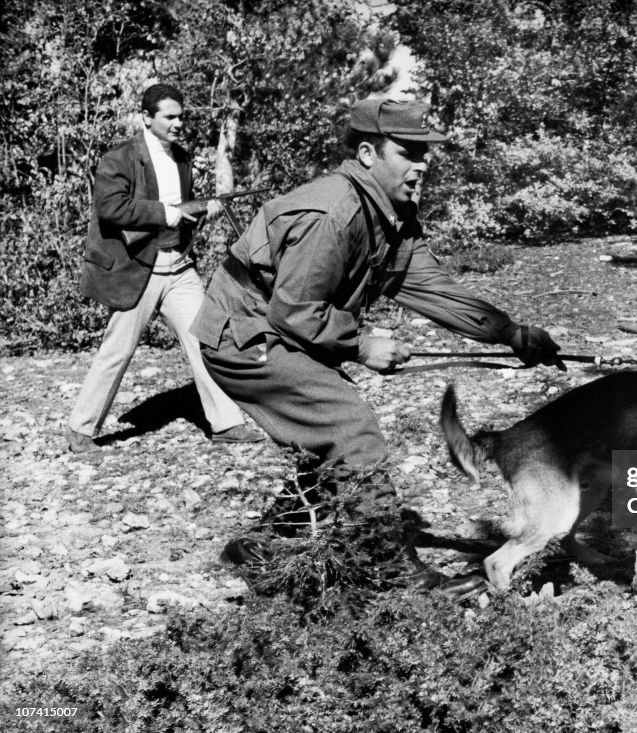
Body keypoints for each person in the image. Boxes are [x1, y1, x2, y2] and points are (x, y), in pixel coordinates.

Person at [191, 97, 563, 589]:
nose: (421, 164)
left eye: (425, 153)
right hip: (244, 336)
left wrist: (509, 333)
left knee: (331, 430)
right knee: (353, 430)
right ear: (368, 153)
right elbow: (295, 311)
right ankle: (391, 571)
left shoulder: (393, 214)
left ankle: (263, 541)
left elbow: (430, 288)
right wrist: (362, 345)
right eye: (407, 152)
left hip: (279, 328)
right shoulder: (334, 212)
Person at [67, 83, 265, 453]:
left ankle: (226, 424)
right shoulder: (120, 158)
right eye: (169, 117)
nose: (178, 124)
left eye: (181, 116)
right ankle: (80, 430)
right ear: (146, 117)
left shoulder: (183, 157)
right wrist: (169, 213)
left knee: (206, 340)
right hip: (137, 268)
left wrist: (204, 209)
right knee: (119, 350)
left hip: (179, 267)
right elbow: (111, 208)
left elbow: (183, 213)